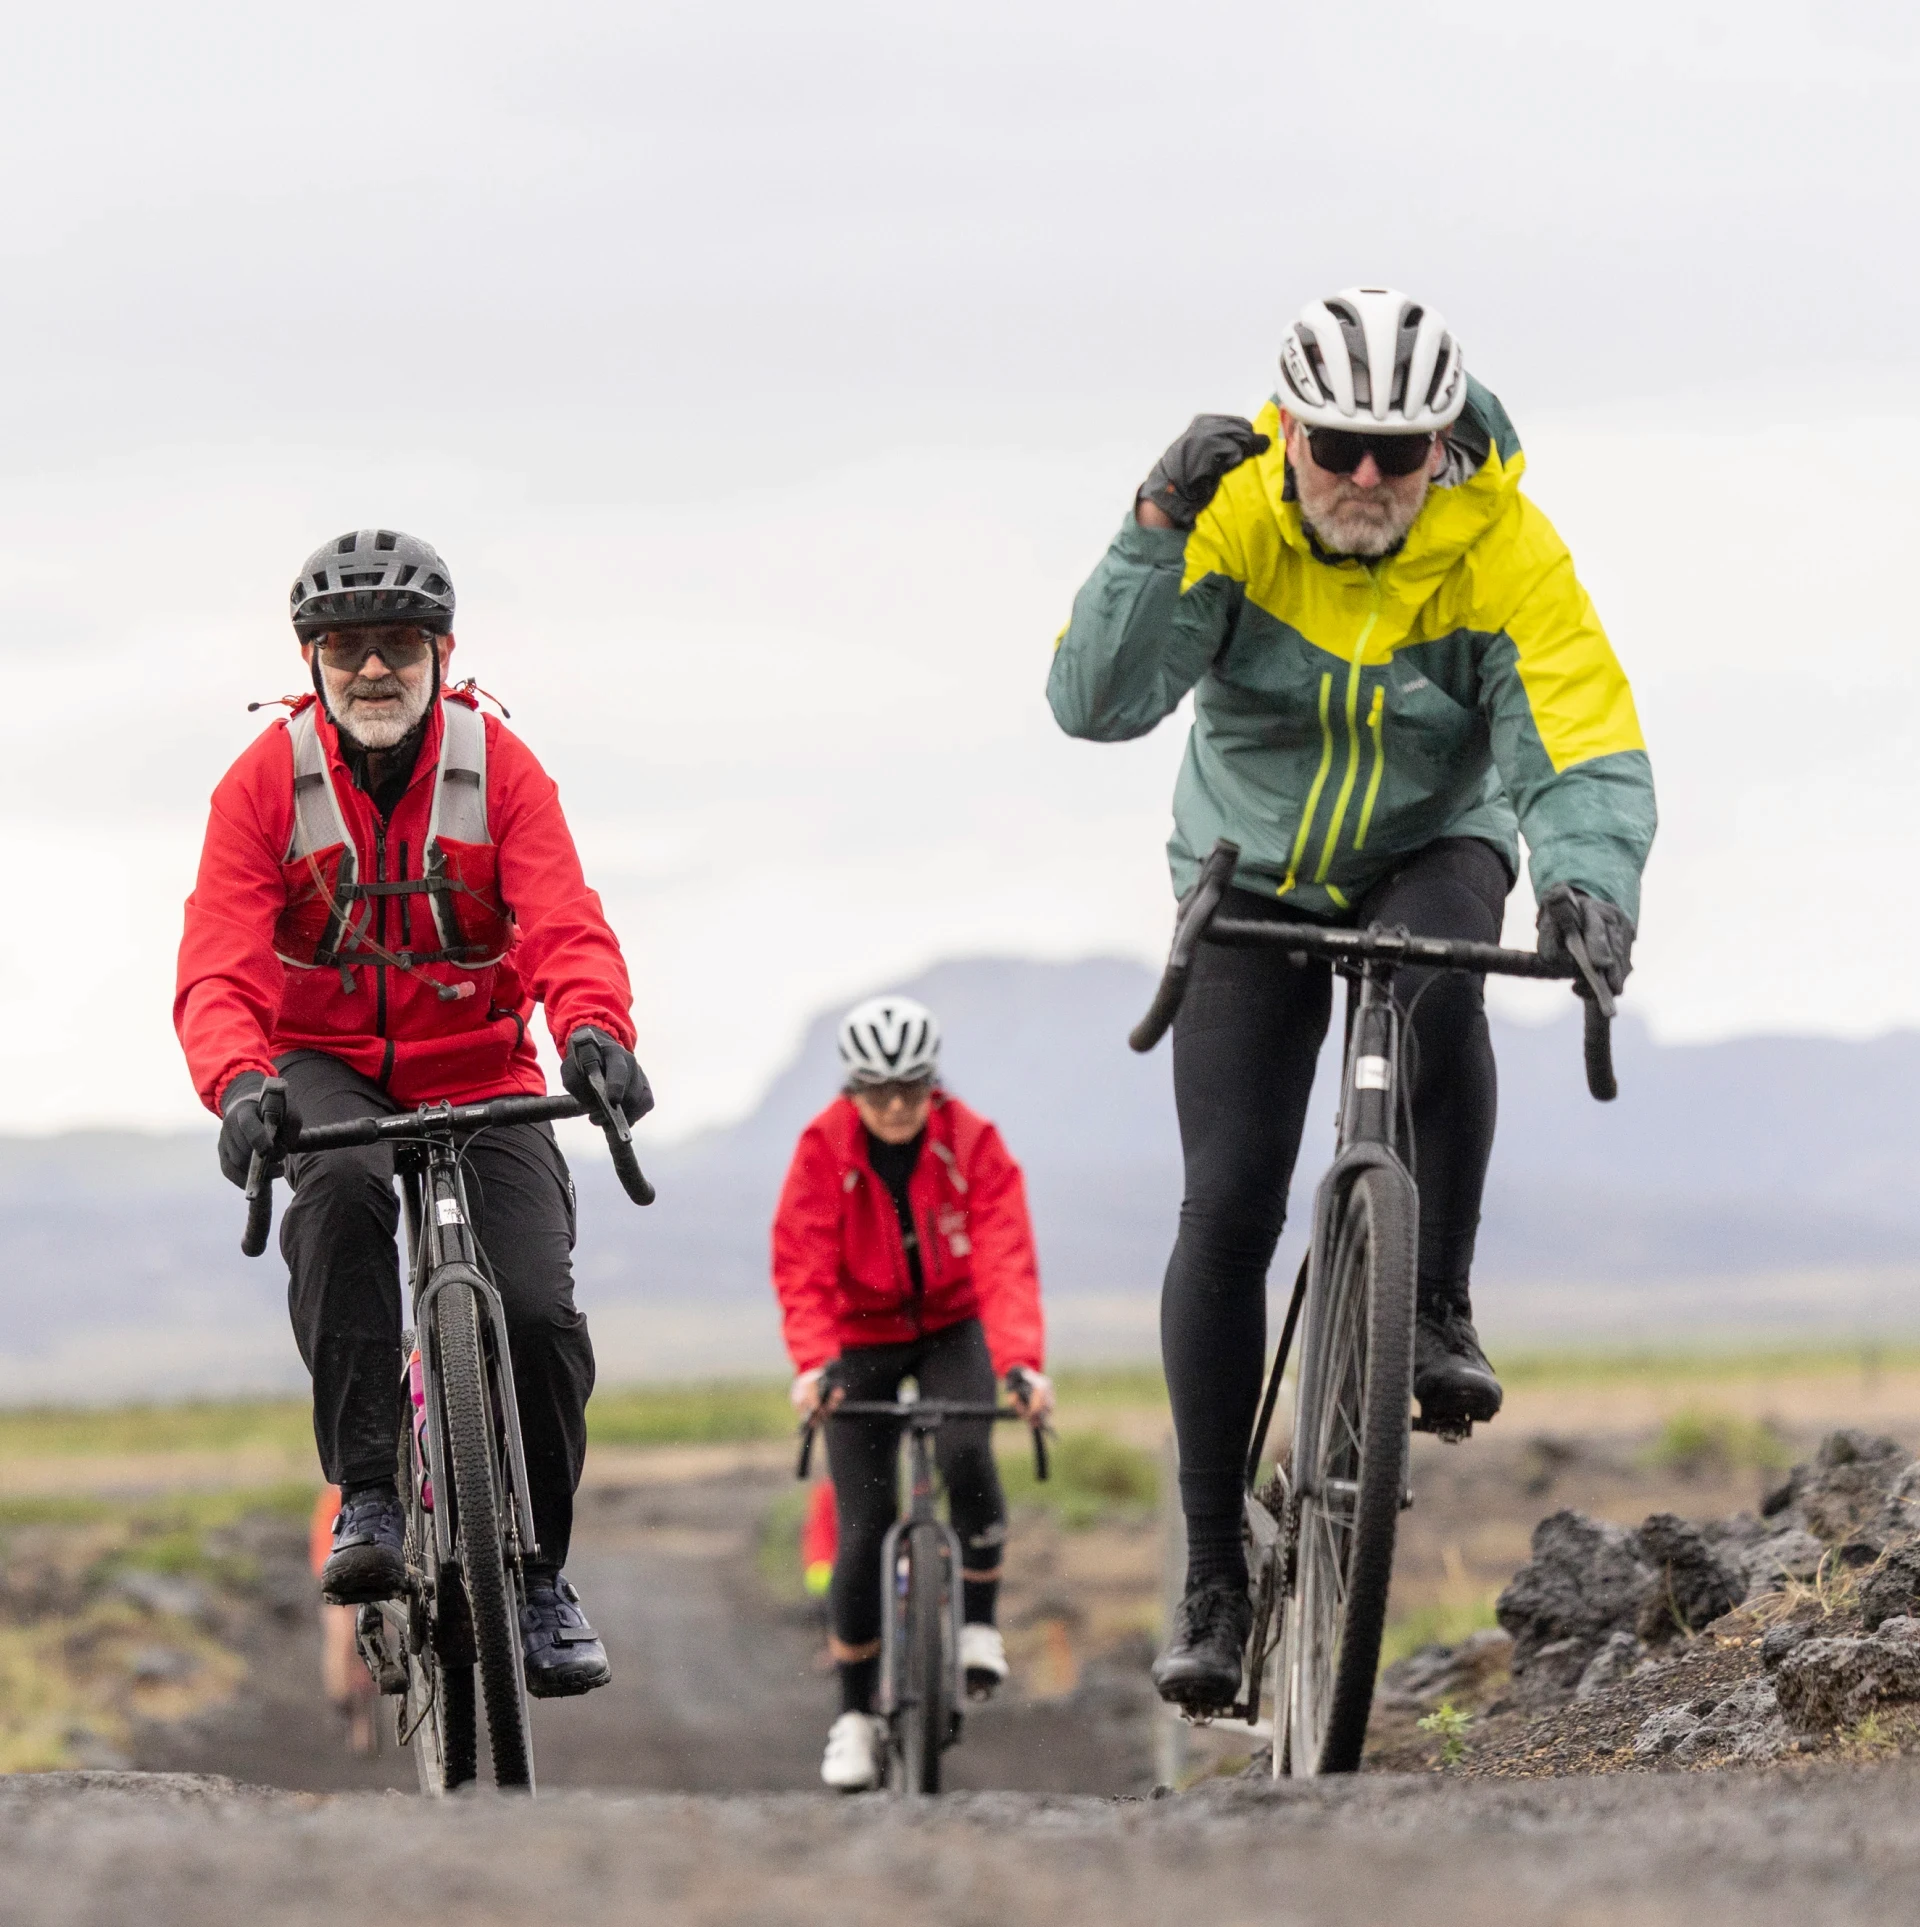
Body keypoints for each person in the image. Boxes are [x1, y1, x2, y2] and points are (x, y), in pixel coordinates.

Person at [1048, 288, 1656, 1709]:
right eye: (1341, 444)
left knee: (1448, 973)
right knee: (1234, 1197)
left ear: (1443, 441)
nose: (1372, 477)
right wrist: (1149, 528)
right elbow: (1097, 700)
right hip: (1246, 865)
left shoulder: (1504, 542)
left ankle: (1433, 1302)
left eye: (1405, 448)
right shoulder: (1235, 515)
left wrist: (1592, 883)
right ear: (1292, 431)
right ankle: (1212, 1564)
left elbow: (1580, 732)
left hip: (1422, 844)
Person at [175, 528, 652, 1698]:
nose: (373, 670)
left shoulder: (501, 768)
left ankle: (539, 1577)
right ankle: (372, 1494)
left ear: (443, 652)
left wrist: (595, 1029)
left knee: (538, 1310)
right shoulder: (263, 783)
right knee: (334, 1193)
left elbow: (562, 919)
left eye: (397, 645)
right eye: (348, 648)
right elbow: (217, 960)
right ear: (313, 659)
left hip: (482, 1061)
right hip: (325, 1060)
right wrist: (240, 1083)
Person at [772, 994, 1053, 1791]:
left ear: (933, 1083)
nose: (896, 1104)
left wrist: (1022, 1364)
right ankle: (856, 1716)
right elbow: (802, 1262)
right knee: (861, 1528)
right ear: (852, 1088)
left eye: (912, 1086)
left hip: (951, 1325)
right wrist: (816, 1364)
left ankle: (978, 1627)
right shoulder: (821, 1148)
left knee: (967, 1444)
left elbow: (1005, 1256)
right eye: (877, 1089)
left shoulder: (975, 1143)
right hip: (857, 1335)